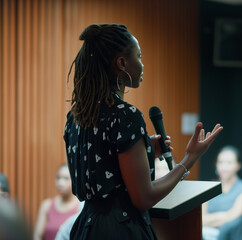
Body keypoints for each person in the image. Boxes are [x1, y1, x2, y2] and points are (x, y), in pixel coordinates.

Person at [63, 24, 223, 240]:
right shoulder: (125, 115)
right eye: (139, 56)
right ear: (122, 63)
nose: (142, 64)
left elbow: (103, 163)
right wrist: (190, 159)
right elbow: (143, 198)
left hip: (86, 228)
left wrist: (146, 149)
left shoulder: (76, 117)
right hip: (121, 230)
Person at [202, 145, 242, 240]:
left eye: (229, 163)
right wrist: (224, 215)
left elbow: (233, 218)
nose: (224, 167)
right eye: (221, 162)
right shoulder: (207, 188)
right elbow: (201, 220)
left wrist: (210, 219)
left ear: (238, 165)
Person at [34, 164, 81, 240]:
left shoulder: (80, 207)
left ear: (74, 180)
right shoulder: (46, 205)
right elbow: (37, 236)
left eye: (66, 178)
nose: (60, 183)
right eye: (58, 178)